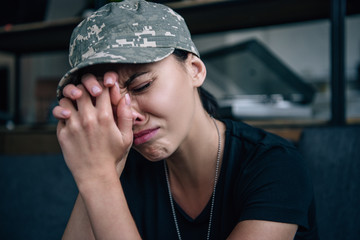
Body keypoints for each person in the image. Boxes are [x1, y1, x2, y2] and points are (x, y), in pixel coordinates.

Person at [53, 0, 319, 239]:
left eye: (142, 86)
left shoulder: (274, 164)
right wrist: (102, 172)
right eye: (107, 102)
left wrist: (99, 180)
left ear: (195, 70)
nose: (128, 115)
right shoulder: (116, 167)